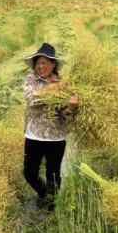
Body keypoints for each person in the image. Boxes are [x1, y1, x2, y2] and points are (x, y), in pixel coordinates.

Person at [23, 43, 78, 211]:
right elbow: (32, 101)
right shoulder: (31, 80)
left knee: (53, 175)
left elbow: (65, 116)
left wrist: (71, 108)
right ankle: (42, 192)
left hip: (56, 137)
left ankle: (52, 207)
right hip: (34, 136)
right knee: (29, 173)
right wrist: (54, 88)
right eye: (38, 63)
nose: (40, 66)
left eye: (44, 62)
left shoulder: (65, 85)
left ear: (53, 64)